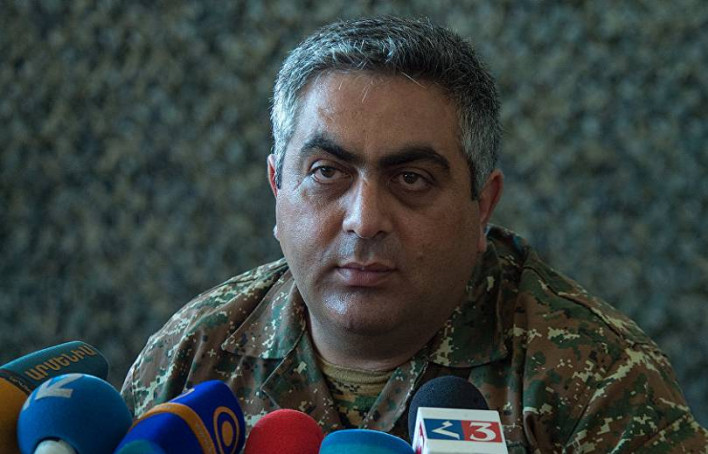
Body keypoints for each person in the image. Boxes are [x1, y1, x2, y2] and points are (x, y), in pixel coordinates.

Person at [121, 17, 707, 452]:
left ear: (482, 206)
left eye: (411, 178)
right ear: (277, 188)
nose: (364, 219)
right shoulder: (194, 356)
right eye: (327, 173)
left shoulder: (597, 377)